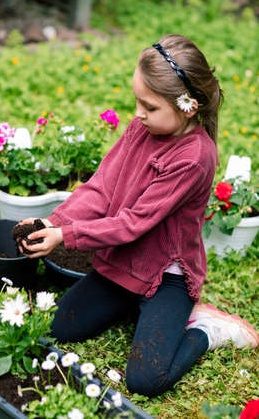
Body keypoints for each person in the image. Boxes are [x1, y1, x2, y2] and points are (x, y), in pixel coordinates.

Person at [18, 34, 259, 397]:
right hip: (126, 262)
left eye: (148, 106)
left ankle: (205, 330)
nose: (137, 113)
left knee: (145, 381)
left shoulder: (194, 157)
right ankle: (140, 307)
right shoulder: (142, 127)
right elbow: (100, 188)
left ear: (188, 107)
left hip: (166, 275)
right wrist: (54, 222)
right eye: (137, 101)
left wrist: (66, 237)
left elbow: (133, 223)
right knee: (60, 327)